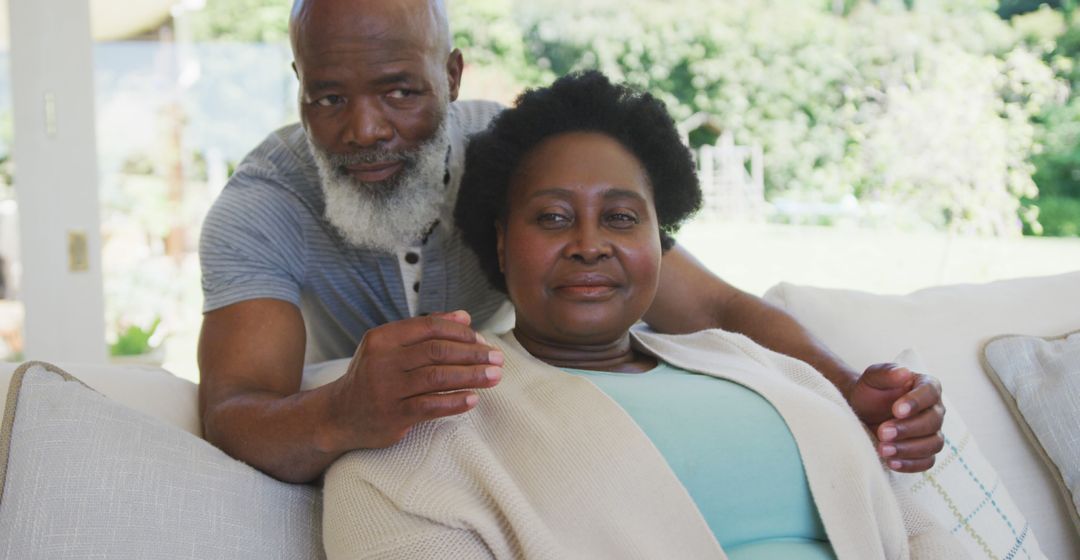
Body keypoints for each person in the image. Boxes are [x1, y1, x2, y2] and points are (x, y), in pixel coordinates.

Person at [197, 0, 944, 484]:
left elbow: (709, 303)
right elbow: (235, 410)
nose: (364, 131)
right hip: (356, 449)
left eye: (400, 91)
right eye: (328, 98)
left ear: (451, 75)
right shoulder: (263, 204)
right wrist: (341, 411)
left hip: (516, 418)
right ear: (298, 84)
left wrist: (847, 388)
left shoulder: (519, 156)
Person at [320, 70, 973, 560]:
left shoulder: (756, 366)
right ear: (499, 242)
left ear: (660, 240)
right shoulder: (432, 424)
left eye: (622, 216)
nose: (589, 243)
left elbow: (919, 534)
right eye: (552, 217)